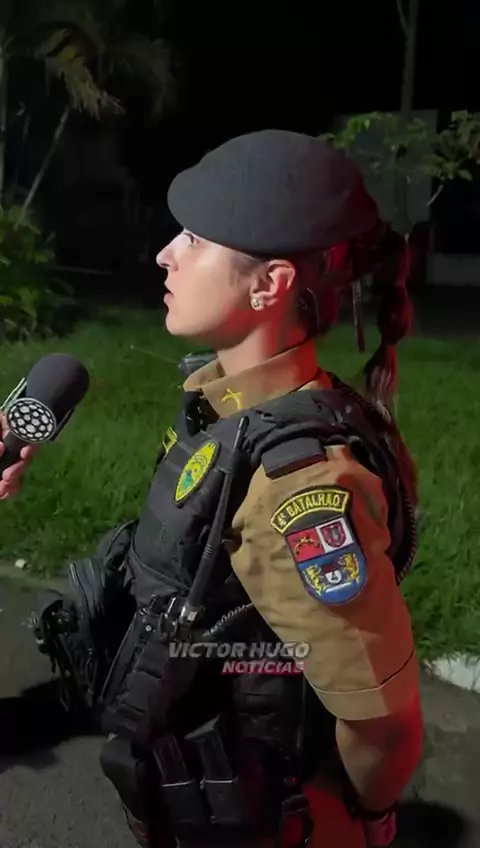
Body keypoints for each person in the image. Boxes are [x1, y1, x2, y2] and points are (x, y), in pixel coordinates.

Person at [31, 130, 423, 848]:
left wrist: (366, 823)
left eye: (193, 239)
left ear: (268, 285)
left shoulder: (297, 483)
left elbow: (381, 722)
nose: (165, 254)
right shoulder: (235, 413)